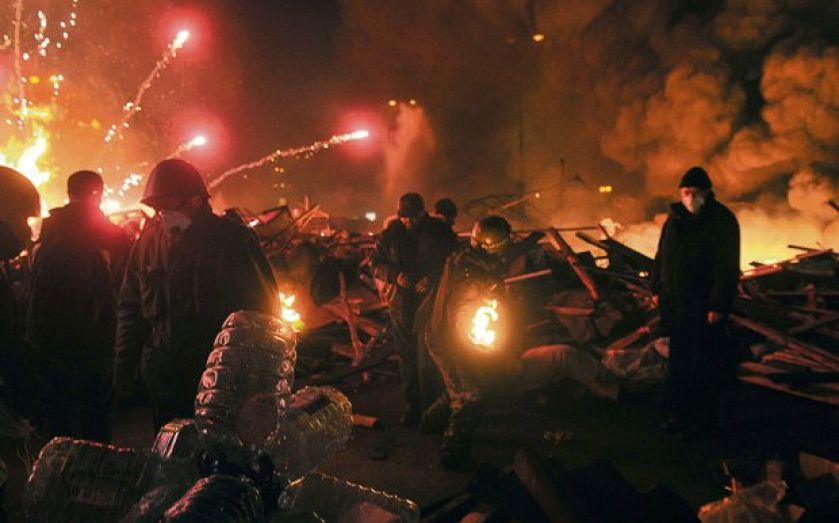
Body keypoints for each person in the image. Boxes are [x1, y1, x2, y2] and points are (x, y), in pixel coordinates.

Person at [425, 215, 615, 469]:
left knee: (460, 384)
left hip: (449, 336)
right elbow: (462, 311)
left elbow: (504, 257)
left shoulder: (473, 257)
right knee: (470, 396)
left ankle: (429, 422)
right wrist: (479, 339)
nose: (506, 251)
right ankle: (452, 454)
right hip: (450, 343)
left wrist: (531, 240)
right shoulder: (469, 278)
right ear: (491, 246)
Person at [114, 159, 277, 430]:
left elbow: (262, 311)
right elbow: (130, 309)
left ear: (196, 200)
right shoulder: (149, 243)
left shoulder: (232, 240)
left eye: (171, 205)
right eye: (159, 208)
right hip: (164, 382)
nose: (165, 214)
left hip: (219, 381)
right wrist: (124, 369)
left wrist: (256, 380)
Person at [26, 170, 132, 441]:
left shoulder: (48, 231)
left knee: (60, 425)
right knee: (95, 422)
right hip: (93, 343)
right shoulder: (100, 230)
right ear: (97, 193)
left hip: (50, 344)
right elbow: (126, 259)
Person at [652, 166, 740, 438]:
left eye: (694, 193)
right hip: (677, 306)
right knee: (679, 363)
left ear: (706, 192)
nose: (689, 198)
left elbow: (727, 267)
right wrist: (656, 287)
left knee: (703, 365)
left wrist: (718, 305)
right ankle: (680, 415)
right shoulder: (675, 219)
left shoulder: (721, 220)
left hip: (702, 308)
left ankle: (704, 421)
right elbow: (661, 255)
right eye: (685, 192)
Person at [371, 192, 457, 426]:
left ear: (422, 213)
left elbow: (454, 261)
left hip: (430, 305)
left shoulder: (440, 232)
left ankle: (431, 410)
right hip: (401, 305)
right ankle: (412, 407)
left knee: (427, 359)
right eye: (404, 216)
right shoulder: (391, 234)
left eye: (412, 216)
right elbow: (376, 263)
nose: (407, 221)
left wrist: (434, 277)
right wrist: (395, 275)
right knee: (407, 360)